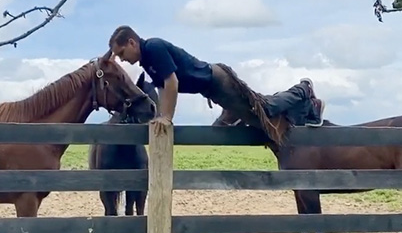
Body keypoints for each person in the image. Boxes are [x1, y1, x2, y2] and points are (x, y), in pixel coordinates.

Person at [107, 25, 325, 144]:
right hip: (212, 88)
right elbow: (164, 89)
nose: (122, 59)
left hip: (218, 81)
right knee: (236, 126)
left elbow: (171, 82)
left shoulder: (153, 48)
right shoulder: (147, 60)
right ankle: (305, 110)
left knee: (264, 109)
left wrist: (166, 118)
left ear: (132, 43)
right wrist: (159, 119)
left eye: (122, 53)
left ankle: (303, 90)